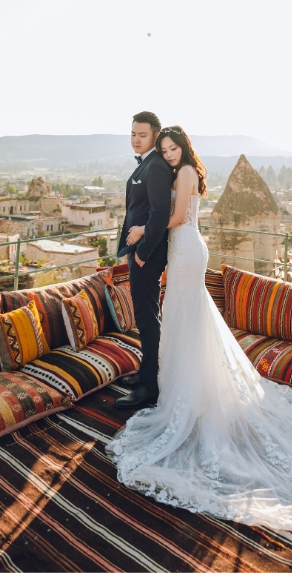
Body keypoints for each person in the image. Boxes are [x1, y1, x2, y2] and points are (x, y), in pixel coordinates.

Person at [108, 125, 292, 535]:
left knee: (185, 312)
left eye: (172, 148)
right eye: (164, 150)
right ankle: (189, 389)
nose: (168, 155)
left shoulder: (184, 173)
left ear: (183, 148)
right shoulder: (178, 170)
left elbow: (173, 216)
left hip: (185, 247)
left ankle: (191, 398)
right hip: (183, 248)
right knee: (186, 315)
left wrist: (139, 233)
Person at [113, 111, 172, 410]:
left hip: (147, 254)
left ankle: (149, 386)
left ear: (155, 136)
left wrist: (142, 252)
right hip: (138, 251)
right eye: (133, 134)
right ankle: (145, 372)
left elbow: (160, 214)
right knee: (145, 316)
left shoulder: (157, 166)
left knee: (148, 317)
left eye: (142, 135)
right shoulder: (147, 164)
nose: (136, 139)